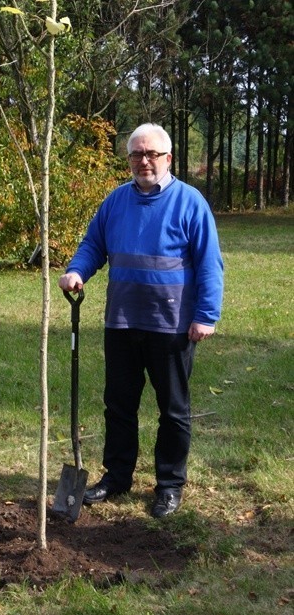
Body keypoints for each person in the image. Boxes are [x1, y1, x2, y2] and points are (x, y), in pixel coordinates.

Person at [59, 123, 223, 518]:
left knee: (172, 409)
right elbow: (93, 244)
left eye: (152, 154)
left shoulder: (190, 202)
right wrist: (77, 270)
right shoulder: (115, 202)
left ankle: (168, 485)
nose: (144, 161)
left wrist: (206, 315)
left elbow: (210, 264)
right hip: (122, 321)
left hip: (171, 325)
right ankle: (116, 477)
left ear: (168, 159)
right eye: (136, 154)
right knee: (118, 405)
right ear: (129, 158)